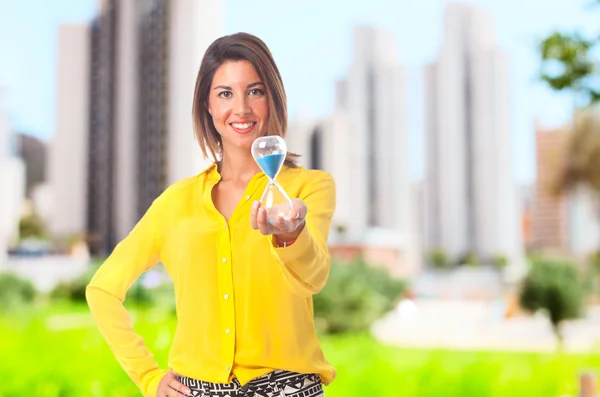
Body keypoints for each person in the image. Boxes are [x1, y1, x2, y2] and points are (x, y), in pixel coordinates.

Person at [86, 32, 336, 397]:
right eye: (225, 94)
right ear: (207, 104)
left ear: (273, 98)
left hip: (288, 388)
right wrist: (149, 377)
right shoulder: (175, 203)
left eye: (255, 91)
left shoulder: (308, 187)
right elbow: (102, 290)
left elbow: (313, 278)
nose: (242, 109)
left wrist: (291, 235)